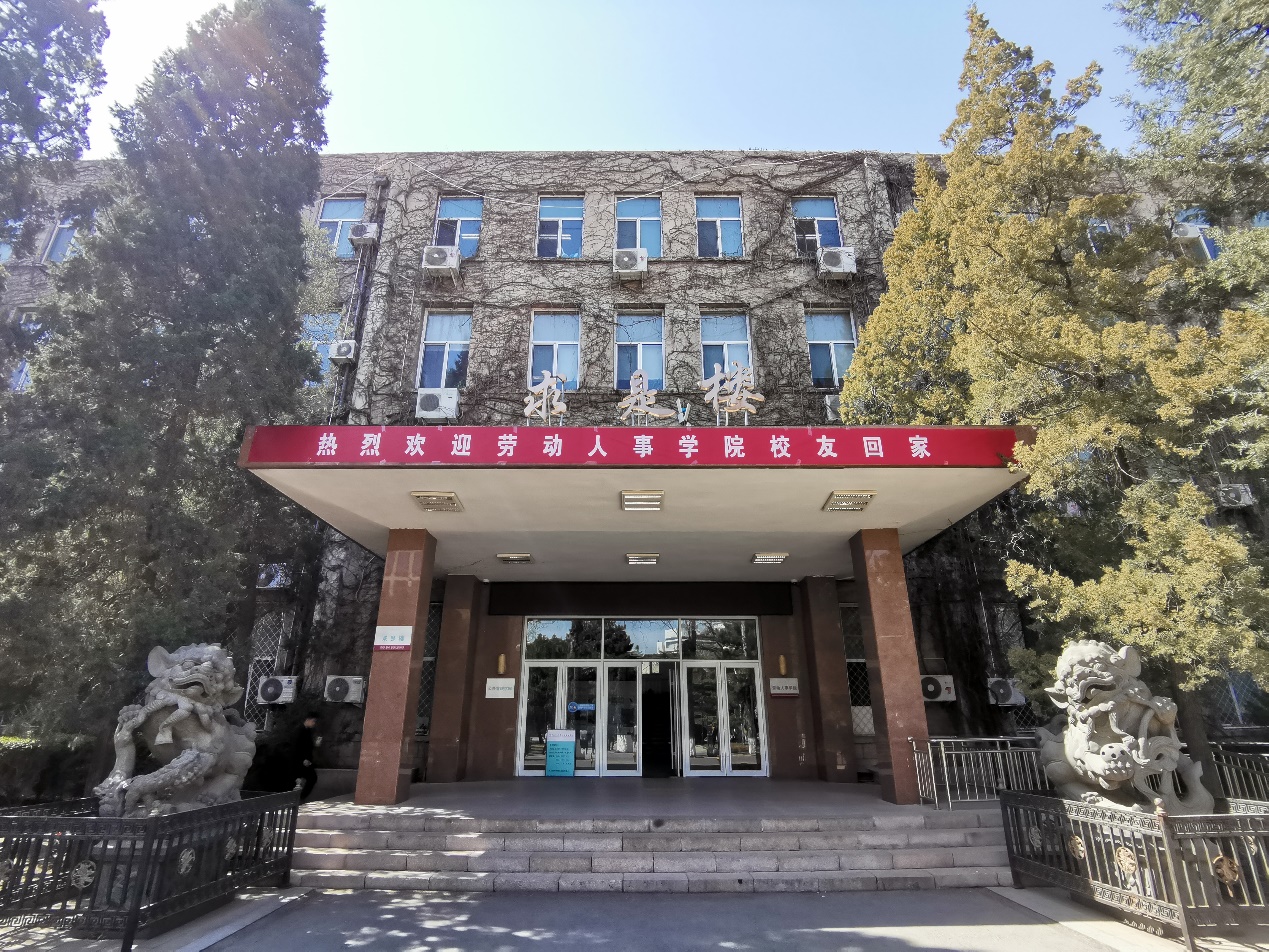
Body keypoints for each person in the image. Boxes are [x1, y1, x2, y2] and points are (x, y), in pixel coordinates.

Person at [293, 713, 319, 800]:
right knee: (304, 778)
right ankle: (299, 798)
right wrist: (302, 759)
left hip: (306, 761)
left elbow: (308, 746)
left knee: (311, 778)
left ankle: (301, 797)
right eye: (313, 721)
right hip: (300, 761)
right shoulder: (299, 731)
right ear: (307, 720)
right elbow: (297, 747)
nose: (314, 723)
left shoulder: (308, 731)